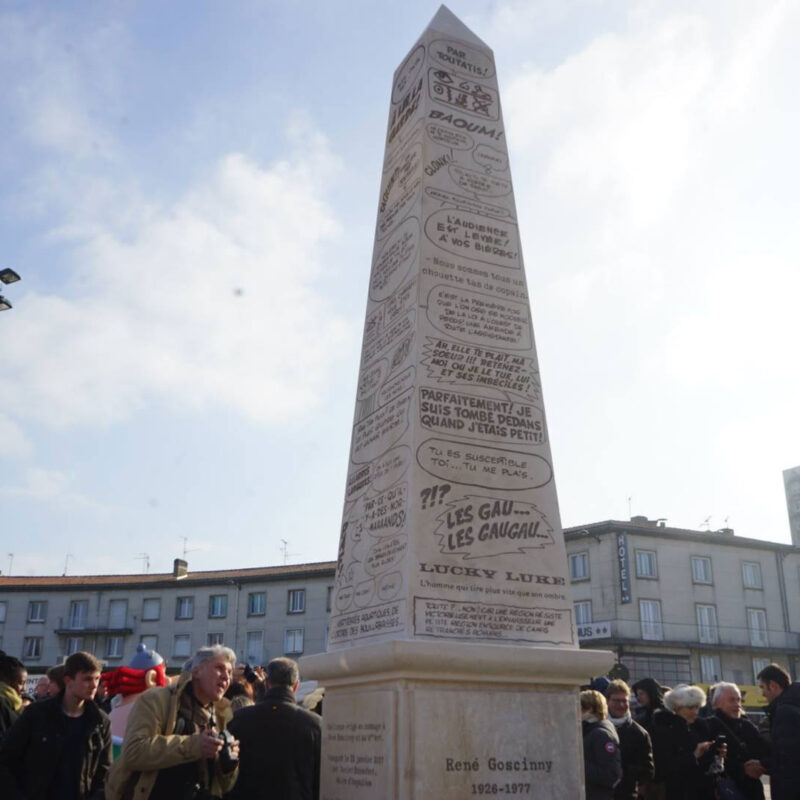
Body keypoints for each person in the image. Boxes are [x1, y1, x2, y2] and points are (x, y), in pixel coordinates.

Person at [105, 644, 240, 800]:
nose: (226, 677)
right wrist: (194, 745)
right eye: (219, 668)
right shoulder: (155, 699)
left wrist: (228, 766)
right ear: (197, 671)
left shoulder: (221, 714)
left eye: (230, 672)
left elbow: (224, 786)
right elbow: (134, 752)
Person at [0, 650, 111, 800]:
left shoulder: (100, 721)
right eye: (87, 679)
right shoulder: (37, 714)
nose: (93, 685)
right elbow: (6, 760)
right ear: (68, 680)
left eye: (97, 679)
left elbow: (104, 774)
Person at [227, 657, 321, 800]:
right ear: (296, 686)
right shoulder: (314, 724)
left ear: (266, 684)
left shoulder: (239, 719)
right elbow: (319, 779)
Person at [650, 684, 724, 800]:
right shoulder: (664, 731)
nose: (695, 712)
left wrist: (717, 755)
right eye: (690, 708)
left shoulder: (701, 728)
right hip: (678, 792)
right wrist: (695, 755)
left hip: (702, 791)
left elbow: (706, 767)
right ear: (677, 707)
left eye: (697, 707)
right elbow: (665, 768)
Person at [705, 682, 769, 800]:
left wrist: (761, 764)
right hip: (723, 791)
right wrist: (742, 770)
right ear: (717, 703)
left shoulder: (746, 725)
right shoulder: (708, 726)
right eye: (731, 700)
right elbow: (706, 763)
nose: (737, 704)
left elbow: (764, 750)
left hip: (752, 791)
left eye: (738, 700)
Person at [748, 663, 800, 800]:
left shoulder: (784, 712)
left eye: (762, 687)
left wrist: (762, 764)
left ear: (773, 686)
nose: (763, 693)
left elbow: (788, 756)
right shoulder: (794, 707)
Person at [605, 680, 654, 799]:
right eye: (616, 701)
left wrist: (625, 771)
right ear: (607, 701)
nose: (621, 705)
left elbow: (648, 771)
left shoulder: (639, 733)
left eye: (624, 701)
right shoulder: (597, 727)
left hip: (625, 794)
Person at [581, 689, 622, 800]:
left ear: (589, 709)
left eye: (580, 708)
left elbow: (610, 774)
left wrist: (578, 765)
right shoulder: (589, 730)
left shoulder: (601, 735)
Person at [0, 651, 26, 739]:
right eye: (21, 683)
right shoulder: (2, 703)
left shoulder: (15, 703)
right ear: (7, 681)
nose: (24, 688)